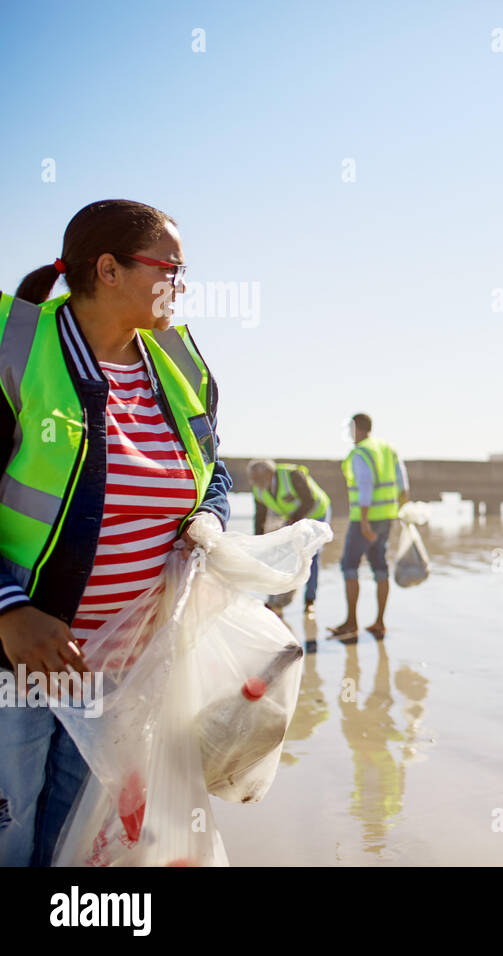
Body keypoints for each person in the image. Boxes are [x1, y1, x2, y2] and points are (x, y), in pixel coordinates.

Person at [0, 199, 232, 866]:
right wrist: (9, 611)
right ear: (108, 269)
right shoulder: (17, 351)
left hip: (119, 675)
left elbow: (213, 473)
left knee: (77, 848)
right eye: (172, 268)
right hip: (14, 665)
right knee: (8, 834)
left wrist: (205, 522)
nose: (181, 285)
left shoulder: (181, 367)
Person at [330, 413, 408, 640]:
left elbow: (365, 486)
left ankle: (351, 623)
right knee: (380, 567)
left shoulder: (361, 452)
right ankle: (379, 623)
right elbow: (403, 485)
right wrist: (401, 514)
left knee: (349, 566)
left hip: (365, 518)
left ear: (357, 428)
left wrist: (364, 522)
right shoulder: (388, 449)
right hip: (387, 517)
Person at [248, 459, 332, 617]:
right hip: (293, 518)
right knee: (282, 555)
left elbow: (309, 500)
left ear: (268, 473)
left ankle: (309, 601)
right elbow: (260, 516)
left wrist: (293, 522)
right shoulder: (258, 488)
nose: (254, 483)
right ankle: (274, 600)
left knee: (310, 555)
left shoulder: (292, 475)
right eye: (252, 479)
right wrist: (259, 542)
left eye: (257, 479)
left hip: (316, 513)